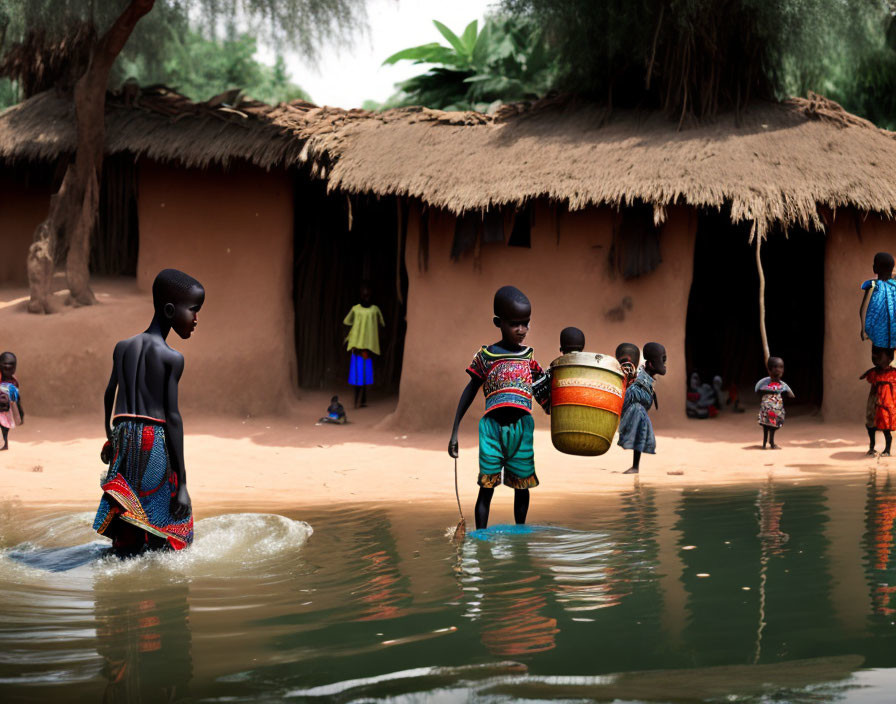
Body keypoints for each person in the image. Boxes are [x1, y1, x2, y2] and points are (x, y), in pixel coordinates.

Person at [93, 269, 204, 557]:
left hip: (122, 435)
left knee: (127, 510)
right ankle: (153, 590)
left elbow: (109, 395)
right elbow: (173, 418)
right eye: (193, 310)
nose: (196, 319)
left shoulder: (123, 348)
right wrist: (183, 485)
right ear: (170, 310)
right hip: (152, 439)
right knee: (166, 519)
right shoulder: (171, 358)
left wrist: (109, 438)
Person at [448, 286, 550, 529]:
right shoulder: (486, 356)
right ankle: (481, 537)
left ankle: (520, 536)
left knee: (522, 487)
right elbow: (470, 390)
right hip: (492, 430)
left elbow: (544, 391)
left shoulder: (529, 358)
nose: (522, 330)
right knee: (486, 487)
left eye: (526, 323)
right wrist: (455, 431)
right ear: (498, 322)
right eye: (515, 323)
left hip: (522, 429)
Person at [617, 342, 666, 474]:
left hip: (637, 407)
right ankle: (635, 466)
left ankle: (635, 466)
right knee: (639, 417)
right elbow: (627, 398)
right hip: (631, 408)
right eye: (662, 360)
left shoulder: (645, 381)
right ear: (650, 364)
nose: (664, 364)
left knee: (640, 419)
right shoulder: (639, 385)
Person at [343, 282, 385, 409]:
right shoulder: (355, 309)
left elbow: (380, 324)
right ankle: (357, 400)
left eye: (367, 292)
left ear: (371, 294)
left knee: (365, 375)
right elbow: (347, 321)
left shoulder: (375, 310)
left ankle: (363, 400)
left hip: (368, 347)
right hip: (357, 347)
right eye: (363, 292)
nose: (366, 294)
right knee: (357, 375)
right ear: (361, 294)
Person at [532, 326, 585, 410]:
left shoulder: (554, 371)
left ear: (561, 349)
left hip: (561, 419)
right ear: (582, 348)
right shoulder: (592, 371)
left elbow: (546, 405)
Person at [861, 346, 896, 456]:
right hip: (875, 400)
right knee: (871, 423)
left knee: (886, 426)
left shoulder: (892, 374)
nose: (875, 356)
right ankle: (872, 447)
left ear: (890, 357)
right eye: (874, 353)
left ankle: (887, 450)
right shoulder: (874, 373)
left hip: (886, 401)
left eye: (879, 354)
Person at [755, 356, 795, 450]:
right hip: (767, 407)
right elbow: (759, 392)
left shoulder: (782, 385)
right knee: (766, 426)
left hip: (777, 408)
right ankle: (765, 443)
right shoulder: (763, 384)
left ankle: (771, 442)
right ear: (769, 370)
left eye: (781, 367)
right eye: (776, 367)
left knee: (774, 426)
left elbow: (788, 394)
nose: (779, 370)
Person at [860, 252, 896, 350]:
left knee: (881, 357)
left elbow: (864, 308)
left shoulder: (873, 285)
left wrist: (863, 330)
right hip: (892, 333)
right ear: (892, 268)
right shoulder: (894, 285)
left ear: (875, 268)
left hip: (878, 334)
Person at [0, 351, 23, 451]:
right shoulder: (12, 380)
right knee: (4, 427)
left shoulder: (13, 381)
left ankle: (4, 444)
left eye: (10, 367)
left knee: (5, 427)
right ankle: (4, 443)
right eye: (5, 367)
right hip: (5, 408)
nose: (7, 369)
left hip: (6, 409)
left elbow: (15, 399)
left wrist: (19, 413)